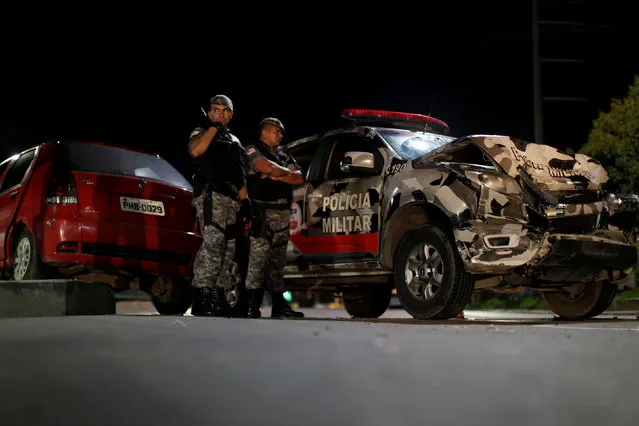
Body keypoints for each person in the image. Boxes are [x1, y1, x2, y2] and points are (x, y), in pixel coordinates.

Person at [187, 94, 252, 317]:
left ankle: (215, 295)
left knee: (228, 250)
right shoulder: (201, 133)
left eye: (224, 111)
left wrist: (245, 201)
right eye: (215, 110)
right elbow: (196, 150)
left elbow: (240, 174)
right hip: (210, 195)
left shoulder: (235, 142)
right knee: (213, 244)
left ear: (231, 115)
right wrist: (213, 128)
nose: (220, 114)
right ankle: (202, 295)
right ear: (210, 112)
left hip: (231, 200)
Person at [244, 117, 305, 319]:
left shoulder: (283, 153)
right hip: (263, 212)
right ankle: (251, 306)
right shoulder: (252, 149)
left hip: (282, 213)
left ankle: (280, 307)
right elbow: (263, 166)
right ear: (265, 132)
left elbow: (298, 177)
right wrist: (278, 173)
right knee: (257, 262)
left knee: (277, 263)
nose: (280, 136)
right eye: (277, 132)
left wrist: (277, 174)